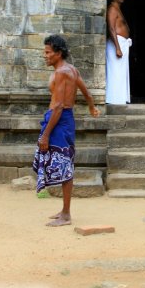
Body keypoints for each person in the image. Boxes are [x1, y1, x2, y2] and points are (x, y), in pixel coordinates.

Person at [33, 34, 100, 227]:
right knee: (64, 162)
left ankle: (67, 214)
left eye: (47, 52)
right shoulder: (71, 69)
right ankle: (64, 210)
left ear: (58, 53)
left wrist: (46, 134)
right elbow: (86, 93)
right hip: (62, 120)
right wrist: (91, 107)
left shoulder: (62, 72)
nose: (45, 56)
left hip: (59, 120)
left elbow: (60, 105)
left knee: (64, 165)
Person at [106, 0, 132, 104]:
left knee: (121, 73)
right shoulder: (112, 9)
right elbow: (111, 28)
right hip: (116, 44)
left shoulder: (118, 9)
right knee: (115, 72)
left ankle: (120, 99)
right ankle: (114, 100)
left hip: (122, 43)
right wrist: (117, 47)